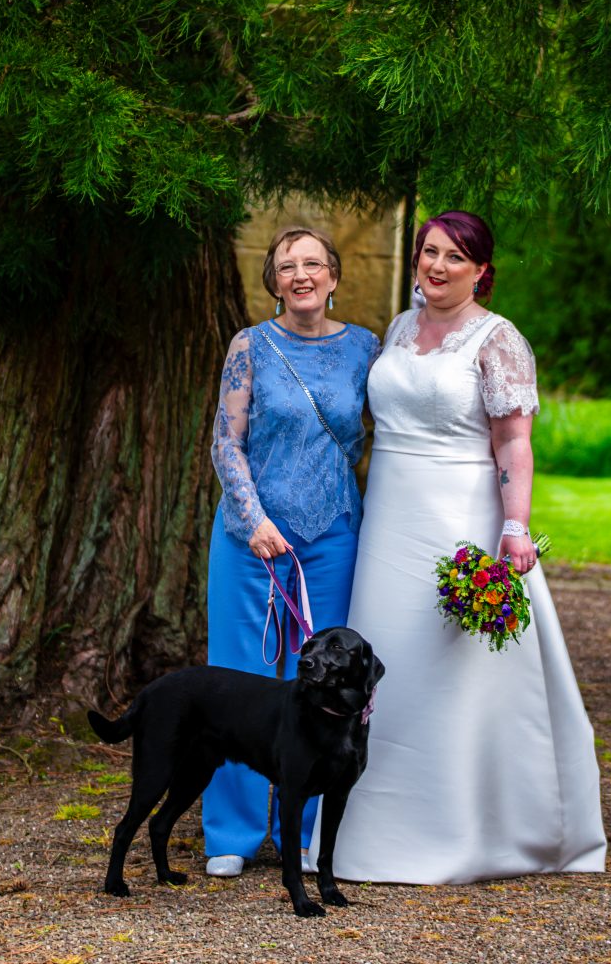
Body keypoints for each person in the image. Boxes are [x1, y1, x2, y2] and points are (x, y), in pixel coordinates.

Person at [313, 210, 606, 883]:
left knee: (454, 667)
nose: (436, 266)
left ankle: (464, 828)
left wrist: (514, 526)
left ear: (481, 270)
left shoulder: (498, 341)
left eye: (454, 257)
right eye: (428, 252)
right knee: (384, 663)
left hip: (459, 518)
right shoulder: (398, 329)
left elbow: (513, 441)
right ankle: (359, 834)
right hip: (389, 515)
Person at [203, 226, 380, 878]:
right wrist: (252, 519)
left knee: (323, 689)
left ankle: (305, 832)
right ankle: (233, 831)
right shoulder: (250, 346)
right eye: (287, 266)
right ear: (273, 282)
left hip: (332, 533)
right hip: (251, 540)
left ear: (333, 275)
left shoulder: (367, 347)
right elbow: (227, 442)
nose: (301, 275)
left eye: (313, 263)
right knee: (240, 679)